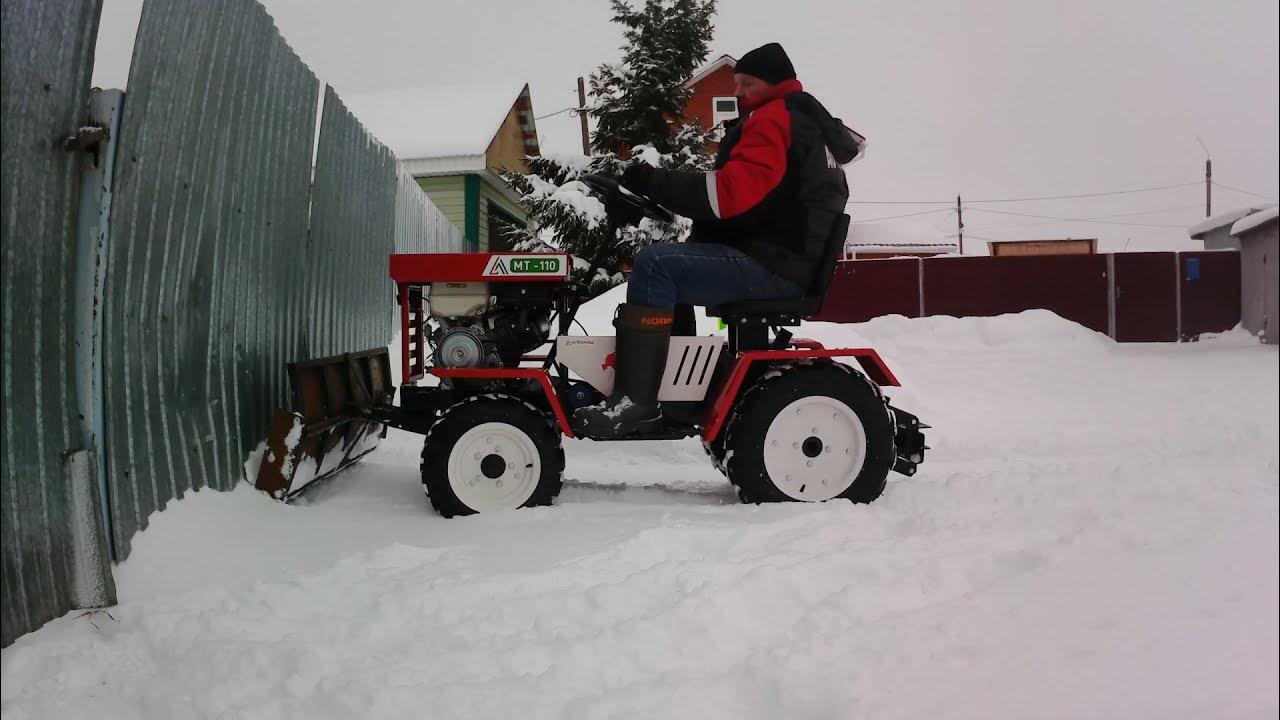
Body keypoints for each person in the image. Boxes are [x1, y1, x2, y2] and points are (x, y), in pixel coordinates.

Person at [574, 42, 863, 438]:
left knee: (656, 264)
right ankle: (675, 400)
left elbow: (727, 195)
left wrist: (652, 181)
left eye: (747, 84)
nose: (738, 93)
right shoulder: (805, 124)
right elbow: (760, 201)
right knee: (673, 263)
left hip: (774, 263)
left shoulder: (774, 119)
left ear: (776, 84)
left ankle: (634, 401)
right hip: (786, 258)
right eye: (737, 83)